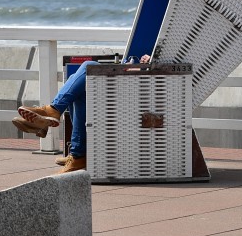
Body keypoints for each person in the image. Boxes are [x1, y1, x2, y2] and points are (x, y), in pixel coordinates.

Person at [14, 55, 151, 175]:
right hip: (129, 81)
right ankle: (76, 154)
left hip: (138, 88)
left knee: (88, 66)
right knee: (78, 82)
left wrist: (145, 64)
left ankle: (52, 112)